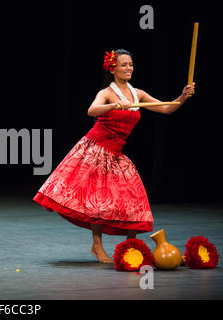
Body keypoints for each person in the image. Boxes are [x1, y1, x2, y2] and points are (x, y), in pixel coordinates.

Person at [33, 49, 195, 263]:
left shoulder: (138, 93)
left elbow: (166, 108)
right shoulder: (107, 92)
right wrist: (114, 105)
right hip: (95, 149)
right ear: (113, 68)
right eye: (124, 65)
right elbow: (92, 110)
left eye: (131, 64)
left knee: (131, 199)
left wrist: (182, 96)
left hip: (116, 153)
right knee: (98, 201)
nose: (129, 68)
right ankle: (97, 247)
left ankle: (131, 247)